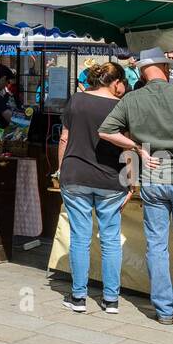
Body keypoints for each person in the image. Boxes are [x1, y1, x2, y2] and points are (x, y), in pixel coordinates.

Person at [99, 48, 173, 327]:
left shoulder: (132, 99)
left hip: (153, 177)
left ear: (141, 72)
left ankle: (164, 309)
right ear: (166, 68)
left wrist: (137, 148)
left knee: (156, 246)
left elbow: (105, 131)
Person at [58, 61, 131, 315]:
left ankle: (79, 297)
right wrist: (131, 180)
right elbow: (128, 146)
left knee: (80, 237)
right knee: (110, 238)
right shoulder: (122, 106)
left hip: (75, 174)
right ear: (116, 82)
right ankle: (111, 300)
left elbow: (64, 138)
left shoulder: (76, 100)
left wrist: (60, 171)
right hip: (111, 179)